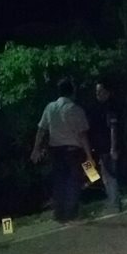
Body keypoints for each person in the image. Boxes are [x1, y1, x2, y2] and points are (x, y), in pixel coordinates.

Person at [31, 79, 95, 222]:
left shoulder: (50, 108)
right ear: (72, 92)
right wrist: (89, 155)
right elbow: (82, 135)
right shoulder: (75, 109)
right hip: (73, 151)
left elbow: (41, 130)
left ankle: (59, 214)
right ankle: (71, 214)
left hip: (56, 151)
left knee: (59, 182)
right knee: (73, 182)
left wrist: (36, 148)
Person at [90, 81, 123, 213]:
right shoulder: (102, 107)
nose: (97, 94)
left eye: (100, 91)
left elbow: (113, 129)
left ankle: (114, 203)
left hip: (107, 148)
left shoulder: (110, 108)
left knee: (110, 175)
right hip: (102, 148)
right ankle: (112, 200)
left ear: (107, 92)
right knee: (105, 174)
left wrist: (113, 148)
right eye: (96, 92)